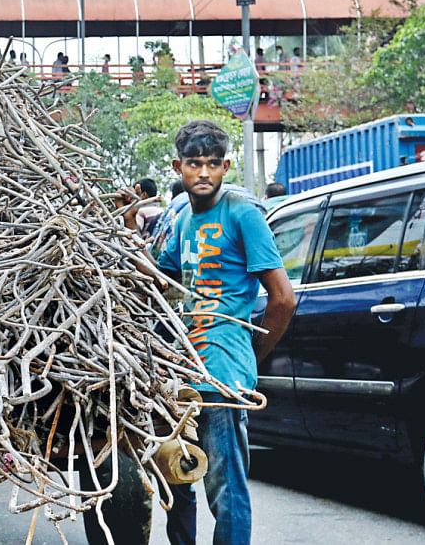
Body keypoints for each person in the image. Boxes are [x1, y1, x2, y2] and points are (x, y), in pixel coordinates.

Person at [132, 120, 296, 545]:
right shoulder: (184, 217)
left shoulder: (243, 214)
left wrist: (251, 356)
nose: (203, 173)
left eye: (212, 164)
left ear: (225, 166)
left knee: (225, 489)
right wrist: (126, 240)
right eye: (194, 164)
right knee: (176, 477)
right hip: (179, 372)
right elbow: (160, 280)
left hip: (222, 375)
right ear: (178, 167)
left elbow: (283, 299)